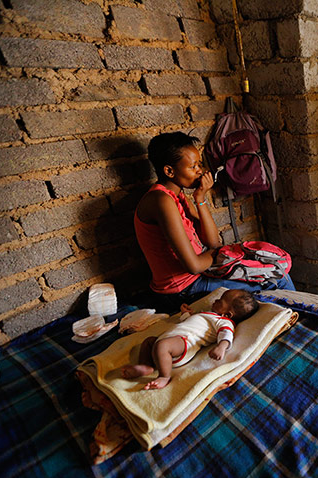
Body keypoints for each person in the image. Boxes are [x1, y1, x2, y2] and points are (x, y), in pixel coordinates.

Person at [134, 132, 294, 311]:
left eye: (200, 164)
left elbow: (213, 241)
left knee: (273, 268)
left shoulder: (177, 196)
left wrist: (200, 198)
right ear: (169, 171)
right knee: (277, 280)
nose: (200, 171)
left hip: (201, 275)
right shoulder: (161, 201)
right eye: (193, 166)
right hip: (182, 290)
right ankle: (300, 325)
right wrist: (218, 252)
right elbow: (193, 265)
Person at [121, 289, 259, 390]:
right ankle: (146, 366)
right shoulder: (208, 314)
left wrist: (221, 347)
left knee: (161, 346)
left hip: (185, 343)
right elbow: (189, 323)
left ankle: (164, 377)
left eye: (220, 301)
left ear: (228, 314)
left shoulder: (224, 322)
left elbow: (226, 334)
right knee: (149, 341)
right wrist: (186, 314)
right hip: (172, 338)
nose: (215, 300)